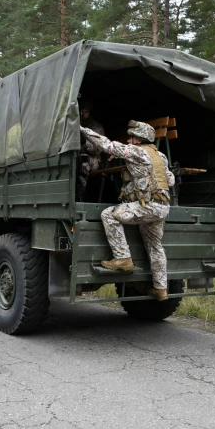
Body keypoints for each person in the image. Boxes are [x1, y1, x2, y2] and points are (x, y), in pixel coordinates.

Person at [80, 120, 175, 301]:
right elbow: (169, 180)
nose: (129, 140)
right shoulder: (160, 156)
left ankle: (123, 258)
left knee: (109, 214)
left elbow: (107, 145)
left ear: (140, 139)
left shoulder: (136, 151)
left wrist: (84, 130)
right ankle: (160, 289)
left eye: (132, 137)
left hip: (147, 207)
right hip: (162, 208)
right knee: (155, 247)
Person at [78, 101, 105, 200]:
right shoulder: (79, 124)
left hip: (93, 159)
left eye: (86, 112)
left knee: (82, 163)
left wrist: (84, 142)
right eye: (82, 111)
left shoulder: (96, 127)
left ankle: (81, 197)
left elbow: (97, 148)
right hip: (79, 156)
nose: (83, 114)